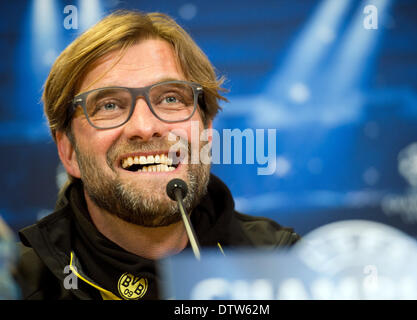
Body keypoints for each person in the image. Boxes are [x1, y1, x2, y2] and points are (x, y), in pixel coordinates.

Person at [14, 10, 300, 300]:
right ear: (69, 152)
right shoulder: (19, 284)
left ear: (206, 134)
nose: (145, 127)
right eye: (109, 105)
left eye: (171, 99)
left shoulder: (289, 268)